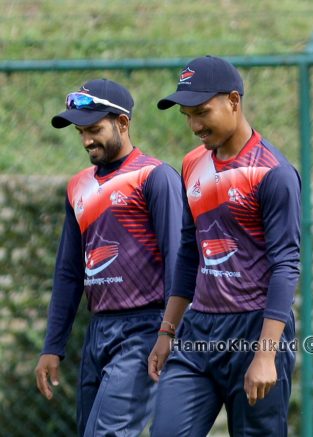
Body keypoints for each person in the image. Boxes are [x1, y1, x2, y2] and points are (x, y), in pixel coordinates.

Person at [148, 55, 301, 436]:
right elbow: (189, 252)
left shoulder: (274, 173)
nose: (195, 126)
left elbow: (286, 265)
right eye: (187, 115)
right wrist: (167, 331)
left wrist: (265, 355)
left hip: (255, 331)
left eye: (202, 112)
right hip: (198, 331)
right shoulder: (191, 164)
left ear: (234, 101)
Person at [35, 78, 182, 436]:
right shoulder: (78, 186)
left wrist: (169, 331)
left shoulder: (154, 177)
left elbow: (178, 260)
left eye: (94, 130)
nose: (86, 140)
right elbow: (69, 272)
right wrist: (53, 346)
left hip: (144, 328)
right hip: (97, 331)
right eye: (81, 132)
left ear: (123, 123)